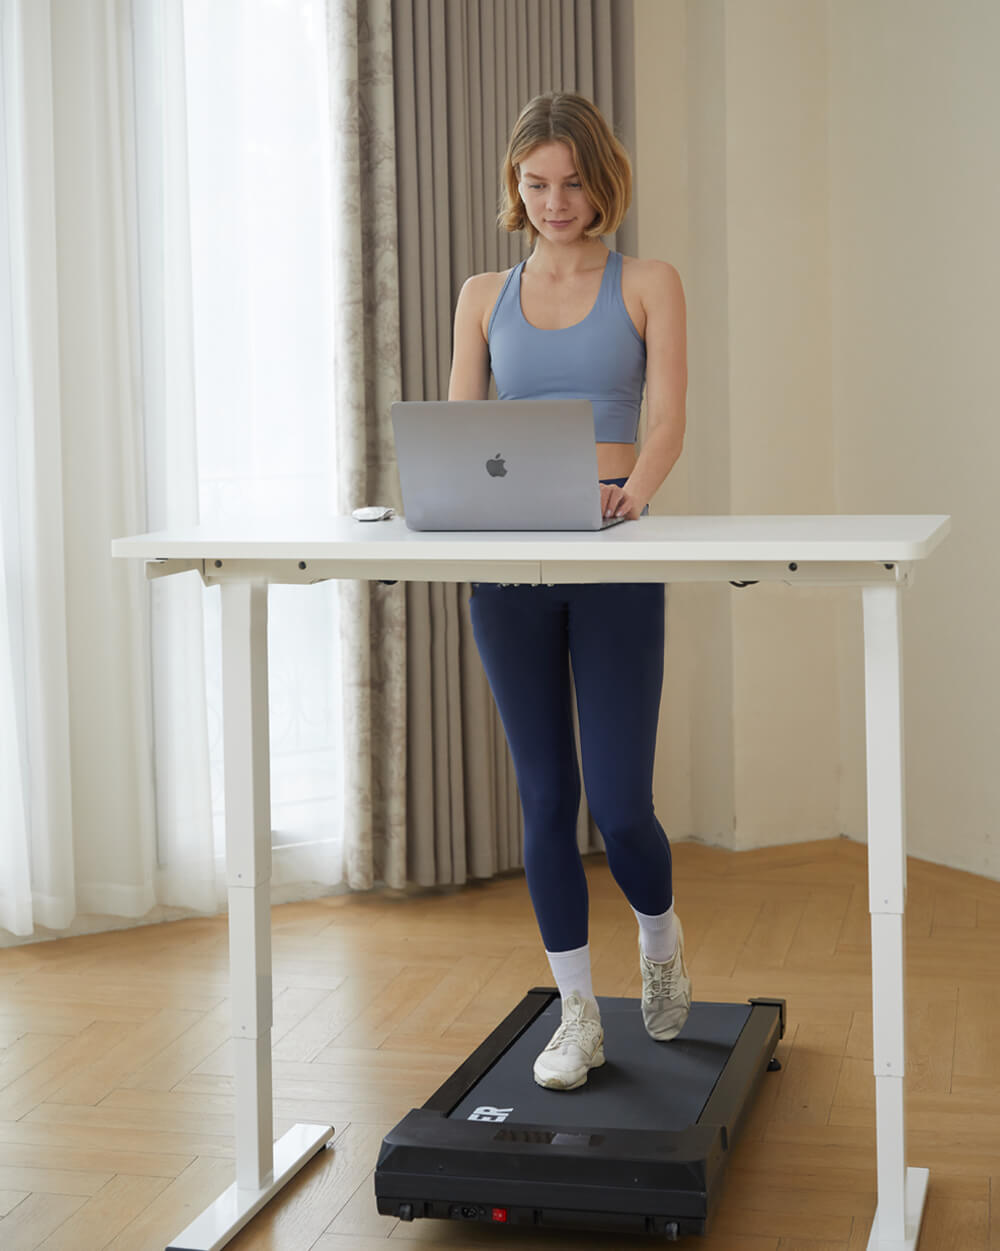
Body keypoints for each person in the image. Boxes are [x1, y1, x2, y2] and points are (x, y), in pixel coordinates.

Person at [447, 92, 689, 1091]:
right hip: (511, 566)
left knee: (622, 805)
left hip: (613, 556)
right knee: (547, 799)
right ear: (516, 186)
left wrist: (629, 494)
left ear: (603, 180)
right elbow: (459, 430)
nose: (554, 202)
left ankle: (661, 942)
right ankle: (577, 1013)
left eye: (572, 182)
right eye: (535, 184)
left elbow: (667, 416)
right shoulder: (478, 292)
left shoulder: (649, 281)